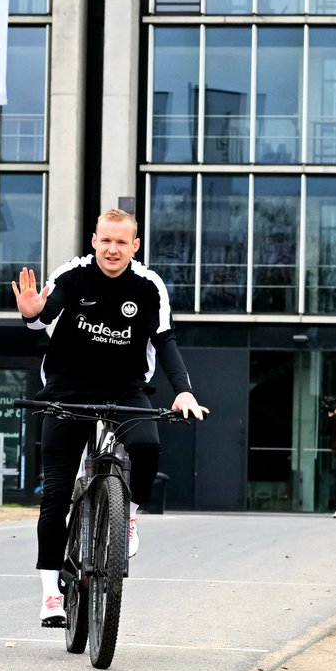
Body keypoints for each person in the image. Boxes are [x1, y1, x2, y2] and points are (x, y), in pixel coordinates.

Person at [12, 208, 208, 628]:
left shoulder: (149, 286)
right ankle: (50, 594)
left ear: (135, 246)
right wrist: (31, 313)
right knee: (56, 495)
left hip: (124, 387)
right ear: (94, 241)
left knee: (147, 445)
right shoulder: (73, 275)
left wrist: (184, 391)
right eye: (106, 240)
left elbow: (166, 342)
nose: (113, 249)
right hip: (67, 387)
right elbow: (42, 317)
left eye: (122, 242)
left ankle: (129, 512)